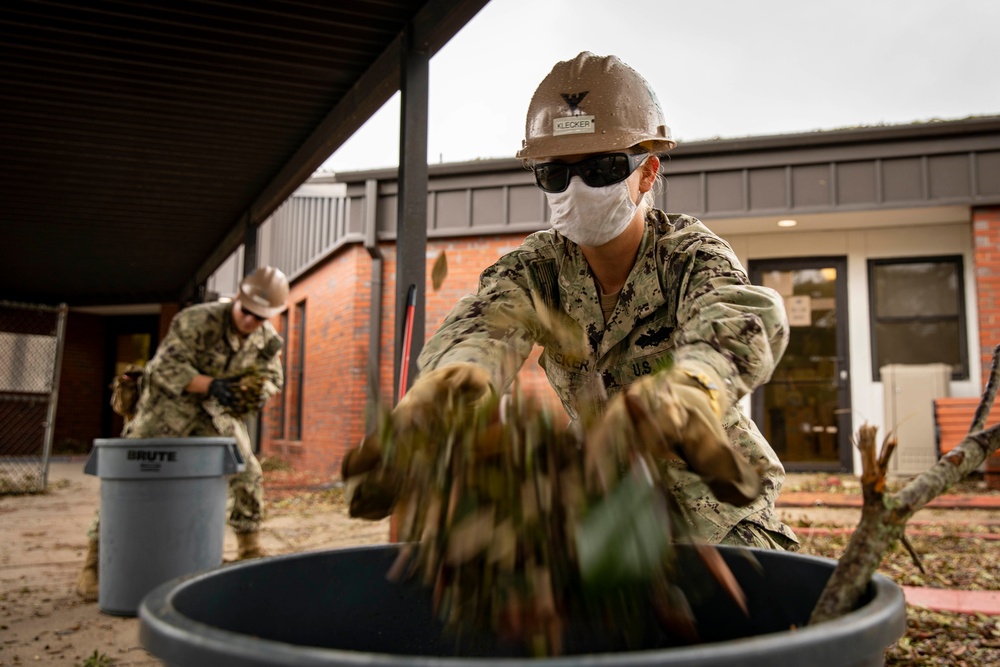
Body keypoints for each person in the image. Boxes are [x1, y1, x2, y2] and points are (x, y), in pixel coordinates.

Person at [350, 52, 798, 551]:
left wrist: (694, 388)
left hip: (714, 513)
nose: (577, 188)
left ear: (647, 173)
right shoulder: (539, 268)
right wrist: (445, 393)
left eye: (602, 168)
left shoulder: (686, 256)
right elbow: (483, 327)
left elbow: (738, 313)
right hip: (597, 514)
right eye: (555, 174)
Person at [76, 266, 289, 601]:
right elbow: (165, 368)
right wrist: (215, 385)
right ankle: (95, 564)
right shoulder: (196, 320)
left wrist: (255, 390)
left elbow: (273, 376)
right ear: (237, 299)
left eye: (259, 316)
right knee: (127, 474)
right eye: (246, 311)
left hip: (215, 412)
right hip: (167, 405)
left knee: (247, 471)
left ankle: (249, 548)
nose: (250, 321)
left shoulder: (267, 339)